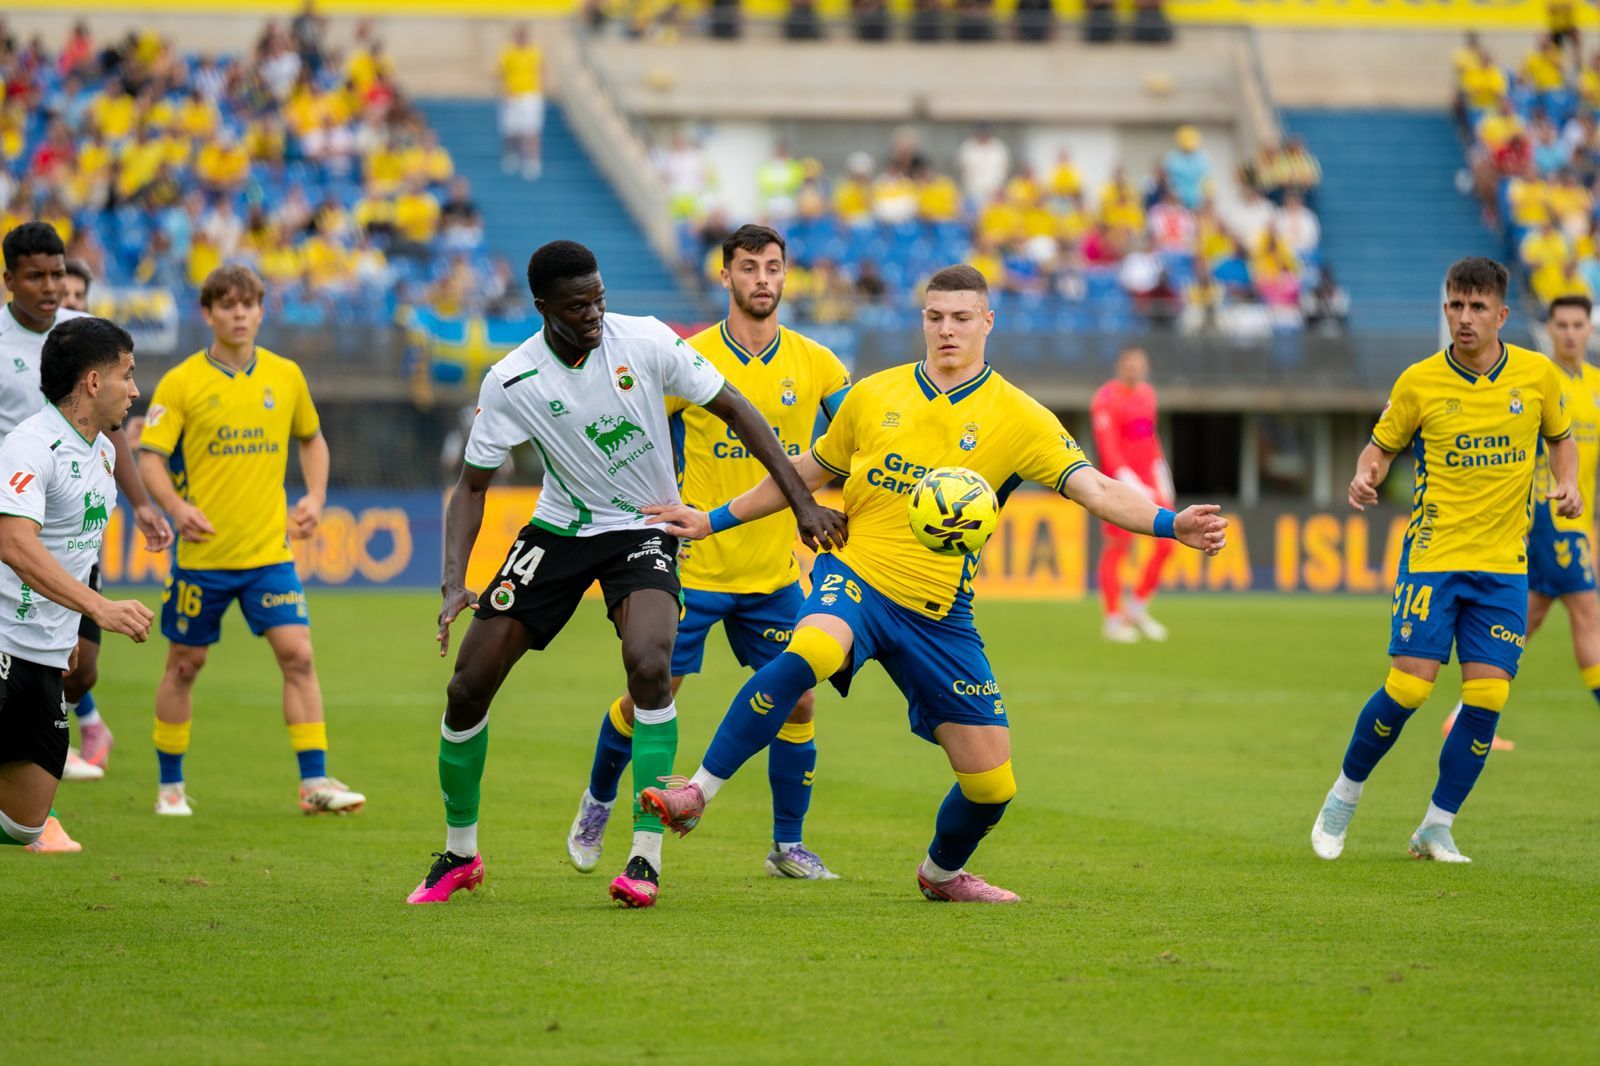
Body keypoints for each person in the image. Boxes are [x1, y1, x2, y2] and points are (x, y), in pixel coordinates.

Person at [639, 265, 1228, 903]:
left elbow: (1095, 489)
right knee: (808, 651)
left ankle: (942, 875)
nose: (946, 329)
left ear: (987, 322)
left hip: (940, 612)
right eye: (935, 316)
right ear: (923, 319)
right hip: (856, 576)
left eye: (961, 318)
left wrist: (1171, 524)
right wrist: (712, 518)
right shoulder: (873, 395)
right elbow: (803, 471)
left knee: (992, 785)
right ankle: (697, 791)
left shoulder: (1020, 418)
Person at [408, 240, 845, 909]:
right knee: (467, 685)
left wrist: (803, 501)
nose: (594, 313)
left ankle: (645, 857)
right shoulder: (512, 379)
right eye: (578, 305)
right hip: (558, 530)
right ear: (544, 307)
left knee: (649, 664)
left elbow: (736, 409)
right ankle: (459, 854)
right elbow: (471, 488)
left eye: (599, 298)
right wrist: (451, 583)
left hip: (643, 527)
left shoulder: (644, 341)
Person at [566, 224, 852, 884]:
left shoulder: (818, 364)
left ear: (787, 276)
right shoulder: (682, 357)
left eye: (773, 267)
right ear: (725, 277)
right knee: (651, 697)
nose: (762, 279)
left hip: (773, 571)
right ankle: (598, 800)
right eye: (748, 267)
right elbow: (623, 432)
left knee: (799, 699)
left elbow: (855, 442)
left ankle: (787, 846)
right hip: (692, 565)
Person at [1312, 257, 1577, 865]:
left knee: (1486, 701)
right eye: (1456, 305)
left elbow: (1562, 442)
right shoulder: (1419, 382)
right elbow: (1379, 449)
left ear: (1502, 315)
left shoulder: (1537, 378)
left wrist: (1571, 485)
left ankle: (1436, 826)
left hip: (1505, 566)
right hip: (1434, 556)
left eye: (1477, 307)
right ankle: (1343, 797)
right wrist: (1363, 477)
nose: (1464, 317)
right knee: (1408, 688)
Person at [136, 265, 362, 819]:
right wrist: (177, 507)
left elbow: (312, 439)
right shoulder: (183, 382)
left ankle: (313, 783)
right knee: (184, 665)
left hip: (269, 555)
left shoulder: (285, 375)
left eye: (248, 304)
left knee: (299, 656)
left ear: (262, 311)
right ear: (207, 313)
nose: (239, 314)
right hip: (204, 558)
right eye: (227, 305)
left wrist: (315, 495)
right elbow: (150, 458)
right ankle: (170, 786)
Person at [1, 224, 171, 827]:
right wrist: (97, 610)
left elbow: (71, 547)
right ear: (94, 381)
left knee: (24, 825)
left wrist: (73, 617)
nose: (136, 388)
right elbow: (15, 543)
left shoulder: (99, 451)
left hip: (46, 652)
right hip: (4, 642)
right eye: (128, 375)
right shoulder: (31, 447)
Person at [1443, 293, 1600, 748]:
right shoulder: (1536, 379)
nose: (1570, 333)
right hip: (1546, 518)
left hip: (1576, 520)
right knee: (1588, 613)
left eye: (1578, 325)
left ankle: (1463, 715)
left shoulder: (1594, 386)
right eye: (1562, 325)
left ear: (1589, 330)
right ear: (1549, 330)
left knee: (1523, 622)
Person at [1091, 346, 1175, 643]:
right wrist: (1129, 481)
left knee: (1169, 544)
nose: (1135, 369)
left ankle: (1137, 607)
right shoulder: (1106, 398)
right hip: (1120, 485)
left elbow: (1150, 438)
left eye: (1140, 364)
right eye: (1130, 363)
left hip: (1149, 482)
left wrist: (1161, 474)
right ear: (1120, 365)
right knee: (1118, 548)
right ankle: (1113, 619)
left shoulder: (1148, 395)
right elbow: (1108, 446)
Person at [497, 26, 544, 180]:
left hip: (529, 95)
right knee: (512, 129)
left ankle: (532, 160)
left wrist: (539, 89)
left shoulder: (534, 52)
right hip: (513, 95)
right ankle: (512, 156)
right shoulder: (508, 53)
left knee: (531, 129)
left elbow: (541, 70)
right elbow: (501, 73)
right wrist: (505, 90)